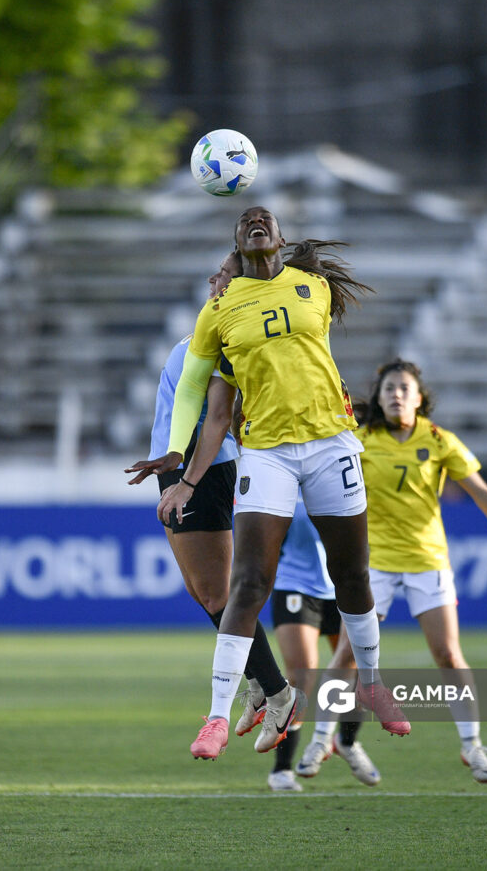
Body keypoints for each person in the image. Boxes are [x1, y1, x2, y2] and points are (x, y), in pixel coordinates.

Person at [157, 205, 411, 761]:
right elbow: (215, 410)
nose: (256, 221)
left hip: (331, 445)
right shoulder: (219, 312)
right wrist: (187, 478)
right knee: (248, 583)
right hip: (267, 453)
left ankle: (370, 686)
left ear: (280, 237)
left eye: (265, 219)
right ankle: (217, 717)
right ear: (235, 243)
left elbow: (303, 317)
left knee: (352, 575)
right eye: (246, 221)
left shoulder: (312, 287)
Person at [124, 266, 298, 748]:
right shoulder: (209, 330)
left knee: (219, 595)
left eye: (226, 274)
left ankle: (277, 693)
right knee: (208, 595)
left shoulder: (230, 338)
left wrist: (188, 478)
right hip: (179, 467)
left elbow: (221, 417)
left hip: (203, 469)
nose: (214, 279)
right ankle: (265, 686)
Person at [353, 358, 487, 783]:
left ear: (419, 398)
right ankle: (326, 739)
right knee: (351, 654)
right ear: (379, 399)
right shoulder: (360, 440)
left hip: (427, 561)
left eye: (404, 388)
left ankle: (471, 745)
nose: (396, 394)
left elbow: (481, 490)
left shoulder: (439, 440)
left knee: (448, 654)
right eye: (389, 389)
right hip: (374, 561)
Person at [268, 496, 381, 792]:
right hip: (294, 584)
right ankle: (281, 768)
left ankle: (347, 742)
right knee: (301, 675)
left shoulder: (342, 479)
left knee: (353, 667)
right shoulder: (284, 479)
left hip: (342, 586)